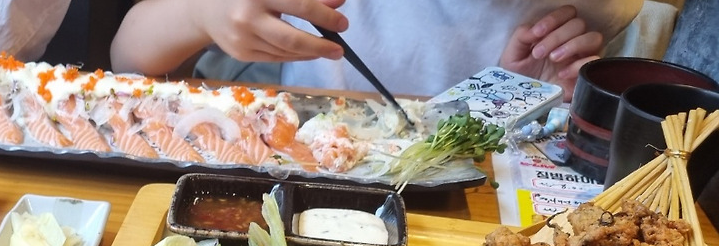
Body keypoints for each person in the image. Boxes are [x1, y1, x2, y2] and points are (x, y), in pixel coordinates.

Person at [110, 0, 644, 100]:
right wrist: (200, 12)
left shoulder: (589, 9)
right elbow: (128, 59)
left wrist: (522, 96)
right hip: (294, 168)